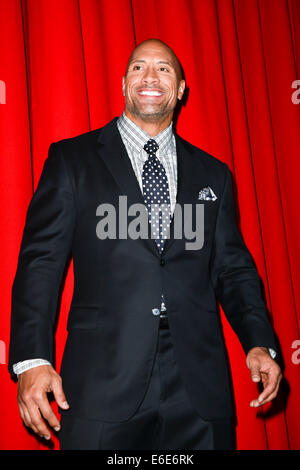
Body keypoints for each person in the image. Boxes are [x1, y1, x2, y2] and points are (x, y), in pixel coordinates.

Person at [9, 38, 282, 450]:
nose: (150, 76)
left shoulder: (215, 174)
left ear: (181, 89)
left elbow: (233, 269)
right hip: (101, 381)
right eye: (138, 68)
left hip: (198, 388)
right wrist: (33, 359)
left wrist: (259, 341)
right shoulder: (71, 160)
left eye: (164, 69)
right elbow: (40, 265)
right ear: (123, 84)